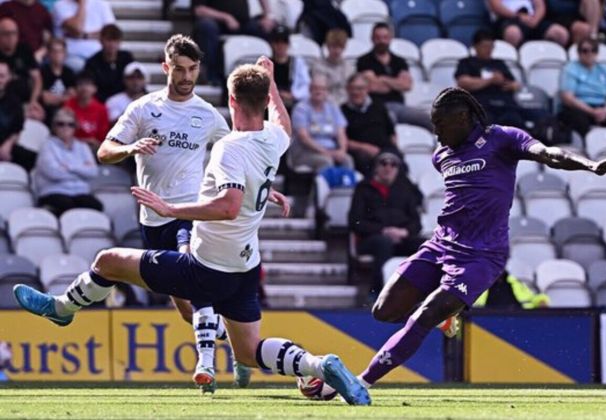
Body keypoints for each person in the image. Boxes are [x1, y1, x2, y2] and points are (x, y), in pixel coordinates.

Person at [12, 56, 372, 406]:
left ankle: (61, 308)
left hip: (207, 266)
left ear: (231, 100)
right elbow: (282, 122)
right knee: (248, 351)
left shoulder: (228, 148)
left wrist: (171, 209)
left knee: (107, 261)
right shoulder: (275, 139)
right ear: (263, 101)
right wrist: (272, 83)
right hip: (245, 266)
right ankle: (318, 364)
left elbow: (228, 207)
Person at [355, 87, 606, 388]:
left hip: (481, 256)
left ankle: (362, 382)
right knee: (383, 311)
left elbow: (548, 154)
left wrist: (589, 165)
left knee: (423, 316)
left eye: (440, 124)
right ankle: (446, 313)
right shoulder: (441, 155)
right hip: (440, 245)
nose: (436, 133)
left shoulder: (502, 139)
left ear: (463, 117)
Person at [96, 35, 275, 393]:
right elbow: (104, 151)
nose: (186, 76)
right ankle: (239, 351)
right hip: (152, 218)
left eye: (192, 69)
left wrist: (268, 189)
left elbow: (241, 153)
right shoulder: (143, 109)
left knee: (191, 269)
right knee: (186, 309)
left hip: (189, 212)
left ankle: (205, 366)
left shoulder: (207, 115)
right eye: (179, 68)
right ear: (166, 67)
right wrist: (130, 148)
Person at [348, 152, 422, 295]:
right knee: (383, 244)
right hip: (371, 239)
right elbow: (355, 222)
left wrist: (404, 232)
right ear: (376, 167)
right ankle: (378, 293)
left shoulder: (405, 191)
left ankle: (417, 294)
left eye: (393, 164)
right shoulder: (363, 189)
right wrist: (383, 231)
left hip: (401, 238)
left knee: (424, 247)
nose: (388, 168)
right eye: (384, 163)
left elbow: (416, 223)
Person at [357, 22, 431, 129]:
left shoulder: (399, 61)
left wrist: (383, 79)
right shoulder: (364, 61)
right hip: (376, 107)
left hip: (399, 106)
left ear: (391, 38)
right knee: (388, 120)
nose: (382, 41)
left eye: (385, 37)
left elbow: (406, 86)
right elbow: (372, 86)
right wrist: (395, 82)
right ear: (372, 39)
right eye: (378, 38)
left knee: (428, 119)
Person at [33, 107, 102, 216]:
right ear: (54, 126)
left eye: (70, 124)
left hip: (80, 192)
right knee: (67, 205)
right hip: (54, 191)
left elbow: (93, 172)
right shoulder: (47, 146)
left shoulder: (83, 147)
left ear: (75, 127)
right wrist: (81, 170)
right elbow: (54, 173)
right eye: (61, 124)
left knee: (96, 206)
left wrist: (69, 167)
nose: (66, 127)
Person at [455, 29, 527, 129]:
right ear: (475, 46)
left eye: (491, 47)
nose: (488, 50)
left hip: (506, 105)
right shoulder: (466, 63)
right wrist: (490, 80)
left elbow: (514, 83)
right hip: (482, 107)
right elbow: (463, 82)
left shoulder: (499, 63)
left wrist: (510, 85)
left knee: (518, 121)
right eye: (485, 46)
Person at [192, 0, 276, 85]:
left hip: (243, 22)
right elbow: (199, 10)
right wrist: (226, 17)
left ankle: (269, 75)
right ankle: (209, 75)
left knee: (265, 28)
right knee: (206, 27)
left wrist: (268, 16)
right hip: (216, 22)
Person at [558, 38, 606, 137]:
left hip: (603, 107)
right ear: (579, 53)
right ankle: (585, 148)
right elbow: (568, 98)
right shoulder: (570, 69)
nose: (590, 53)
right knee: (576, 117)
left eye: (594, 50)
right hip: (581, 106)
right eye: (585, 51)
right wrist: (591, 111)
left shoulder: (604, 70)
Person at [289, 73, 353, 172]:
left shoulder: (332, 107)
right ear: (310, 89)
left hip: (331, 149)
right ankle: (322, 187)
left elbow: (341, 133)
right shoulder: (301, 108)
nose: (319, 91)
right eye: (315, 88)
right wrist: (327, 153)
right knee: (326, 161)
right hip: (306, 152)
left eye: (322, 89)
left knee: (347, 160)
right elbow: (304, 138)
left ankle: (347, 187)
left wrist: (342, 151)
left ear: (327, 91)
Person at [342, 73, 399, 176]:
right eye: (352, 88)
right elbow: (343, 140)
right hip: (361, 153)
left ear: (367, 89)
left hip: (385, 149)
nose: (355, 92)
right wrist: (364, 147)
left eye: (359, 88)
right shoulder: (342, 111)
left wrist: (392, 150)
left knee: (397, 162)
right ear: (347, 89)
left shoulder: (379, 106)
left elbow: (392, 133)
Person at [52, 0, 116, 72]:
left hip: (99, 55)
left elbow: (110, 32)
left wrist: (84, 35)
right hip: (72, 55)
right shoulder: (60, 5)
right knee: (80, 67)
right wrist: (82, 4)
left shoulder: (102, 4)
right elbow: (77, 28)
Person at [0, 17, 44, 118]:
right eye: (7, 33)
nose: (11, 37)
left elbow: (37, 79)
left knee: (38, 114)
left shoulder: (24, 50)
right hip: (3, 101)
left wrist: (33, 101)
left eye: (14, 33)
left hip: (25, 99)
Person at [84, 24, 135, 103]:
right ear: (101, 41)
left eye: (115, 40)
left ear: (120, 42)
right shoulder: (92, 63)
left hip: (126, 101)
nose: (112, 44)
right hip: (102, 103)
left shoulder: (127, 58)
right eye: (108, 40)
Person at [0, 58, 35, 170]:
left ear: (9, 78)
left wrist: (8, 145)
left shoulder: (15, 102)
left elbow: (17, 130)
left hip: (5, 145)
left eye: (2, 76)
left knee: (35, 159)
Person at [487, 0, 569, 47]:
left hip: (531, 18)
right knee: (512, 33)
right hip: (508, 18)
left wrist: (535, 19)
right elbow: (496, 6)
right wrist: (518, 16)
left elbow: (540, 6)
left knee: (560, 34)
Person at [269, 25, 309, 112]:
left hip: (293, 103)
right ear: (272, 44)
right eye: (277, 42)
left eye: (284, 42)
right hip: (271, 102)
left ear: (288, 44)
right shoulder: (267, 63)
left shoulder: (297, 63)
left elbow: (306, 85)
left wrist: (292, 95)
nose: (280, 45)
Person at [64, 70, 109, 146]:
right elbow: (64, 132)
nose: (84, 88)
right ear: (75, 88)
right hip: (71, 145)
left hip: (94, 148)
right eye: (80, 84)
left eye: (88, 84)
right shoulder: (68, 105)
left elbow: (102, 139)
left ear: (95, 88)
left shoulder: (102, 109)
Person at [312, 28, 354, 105]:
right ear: (327, 46)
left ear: (344, 47)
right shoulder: (318, 66)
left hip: (347, 105)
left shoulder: (350, 67)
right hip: (325, 104)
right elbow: (320, 90)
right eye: (334, 47)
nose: (337, 51)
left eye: (340, 47)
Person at [40, 37, 76, 124]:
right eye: (54, 51)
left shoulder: (69, 73)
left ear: (65, 54)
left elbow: (73, 97)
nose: (57, 54)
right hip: (47, 114)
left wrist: (55, 98)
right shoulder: (42, 72)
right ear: (48, 54)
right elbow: (46, 99)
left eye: (60, 51)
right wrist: (64, 97)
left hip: (67, 113)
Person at [473, 270, 550, 309]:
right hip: (485, 324)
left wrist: (541, 300)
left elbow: (533, 299)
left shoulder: (514, 282)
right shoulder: (479, 283)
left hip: (518, 321)